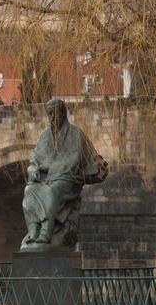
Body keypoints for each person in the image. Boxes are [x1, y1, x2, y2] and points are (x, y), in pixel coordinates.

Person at [21, 98, 108, 250]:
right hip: (46, 179)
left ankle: (46, 233)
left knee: (52, 192)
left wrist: (56, 168)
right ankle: (34, 229)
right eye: (49, 114)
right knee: (29, 191)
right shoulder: (44, 136)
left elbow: (75, 159)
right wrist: (33, 169)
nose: (52, 118)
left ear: (62, 114)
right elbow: (35, 158)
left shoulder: (75, 134)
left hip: (68, 179)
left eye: (54, 114)